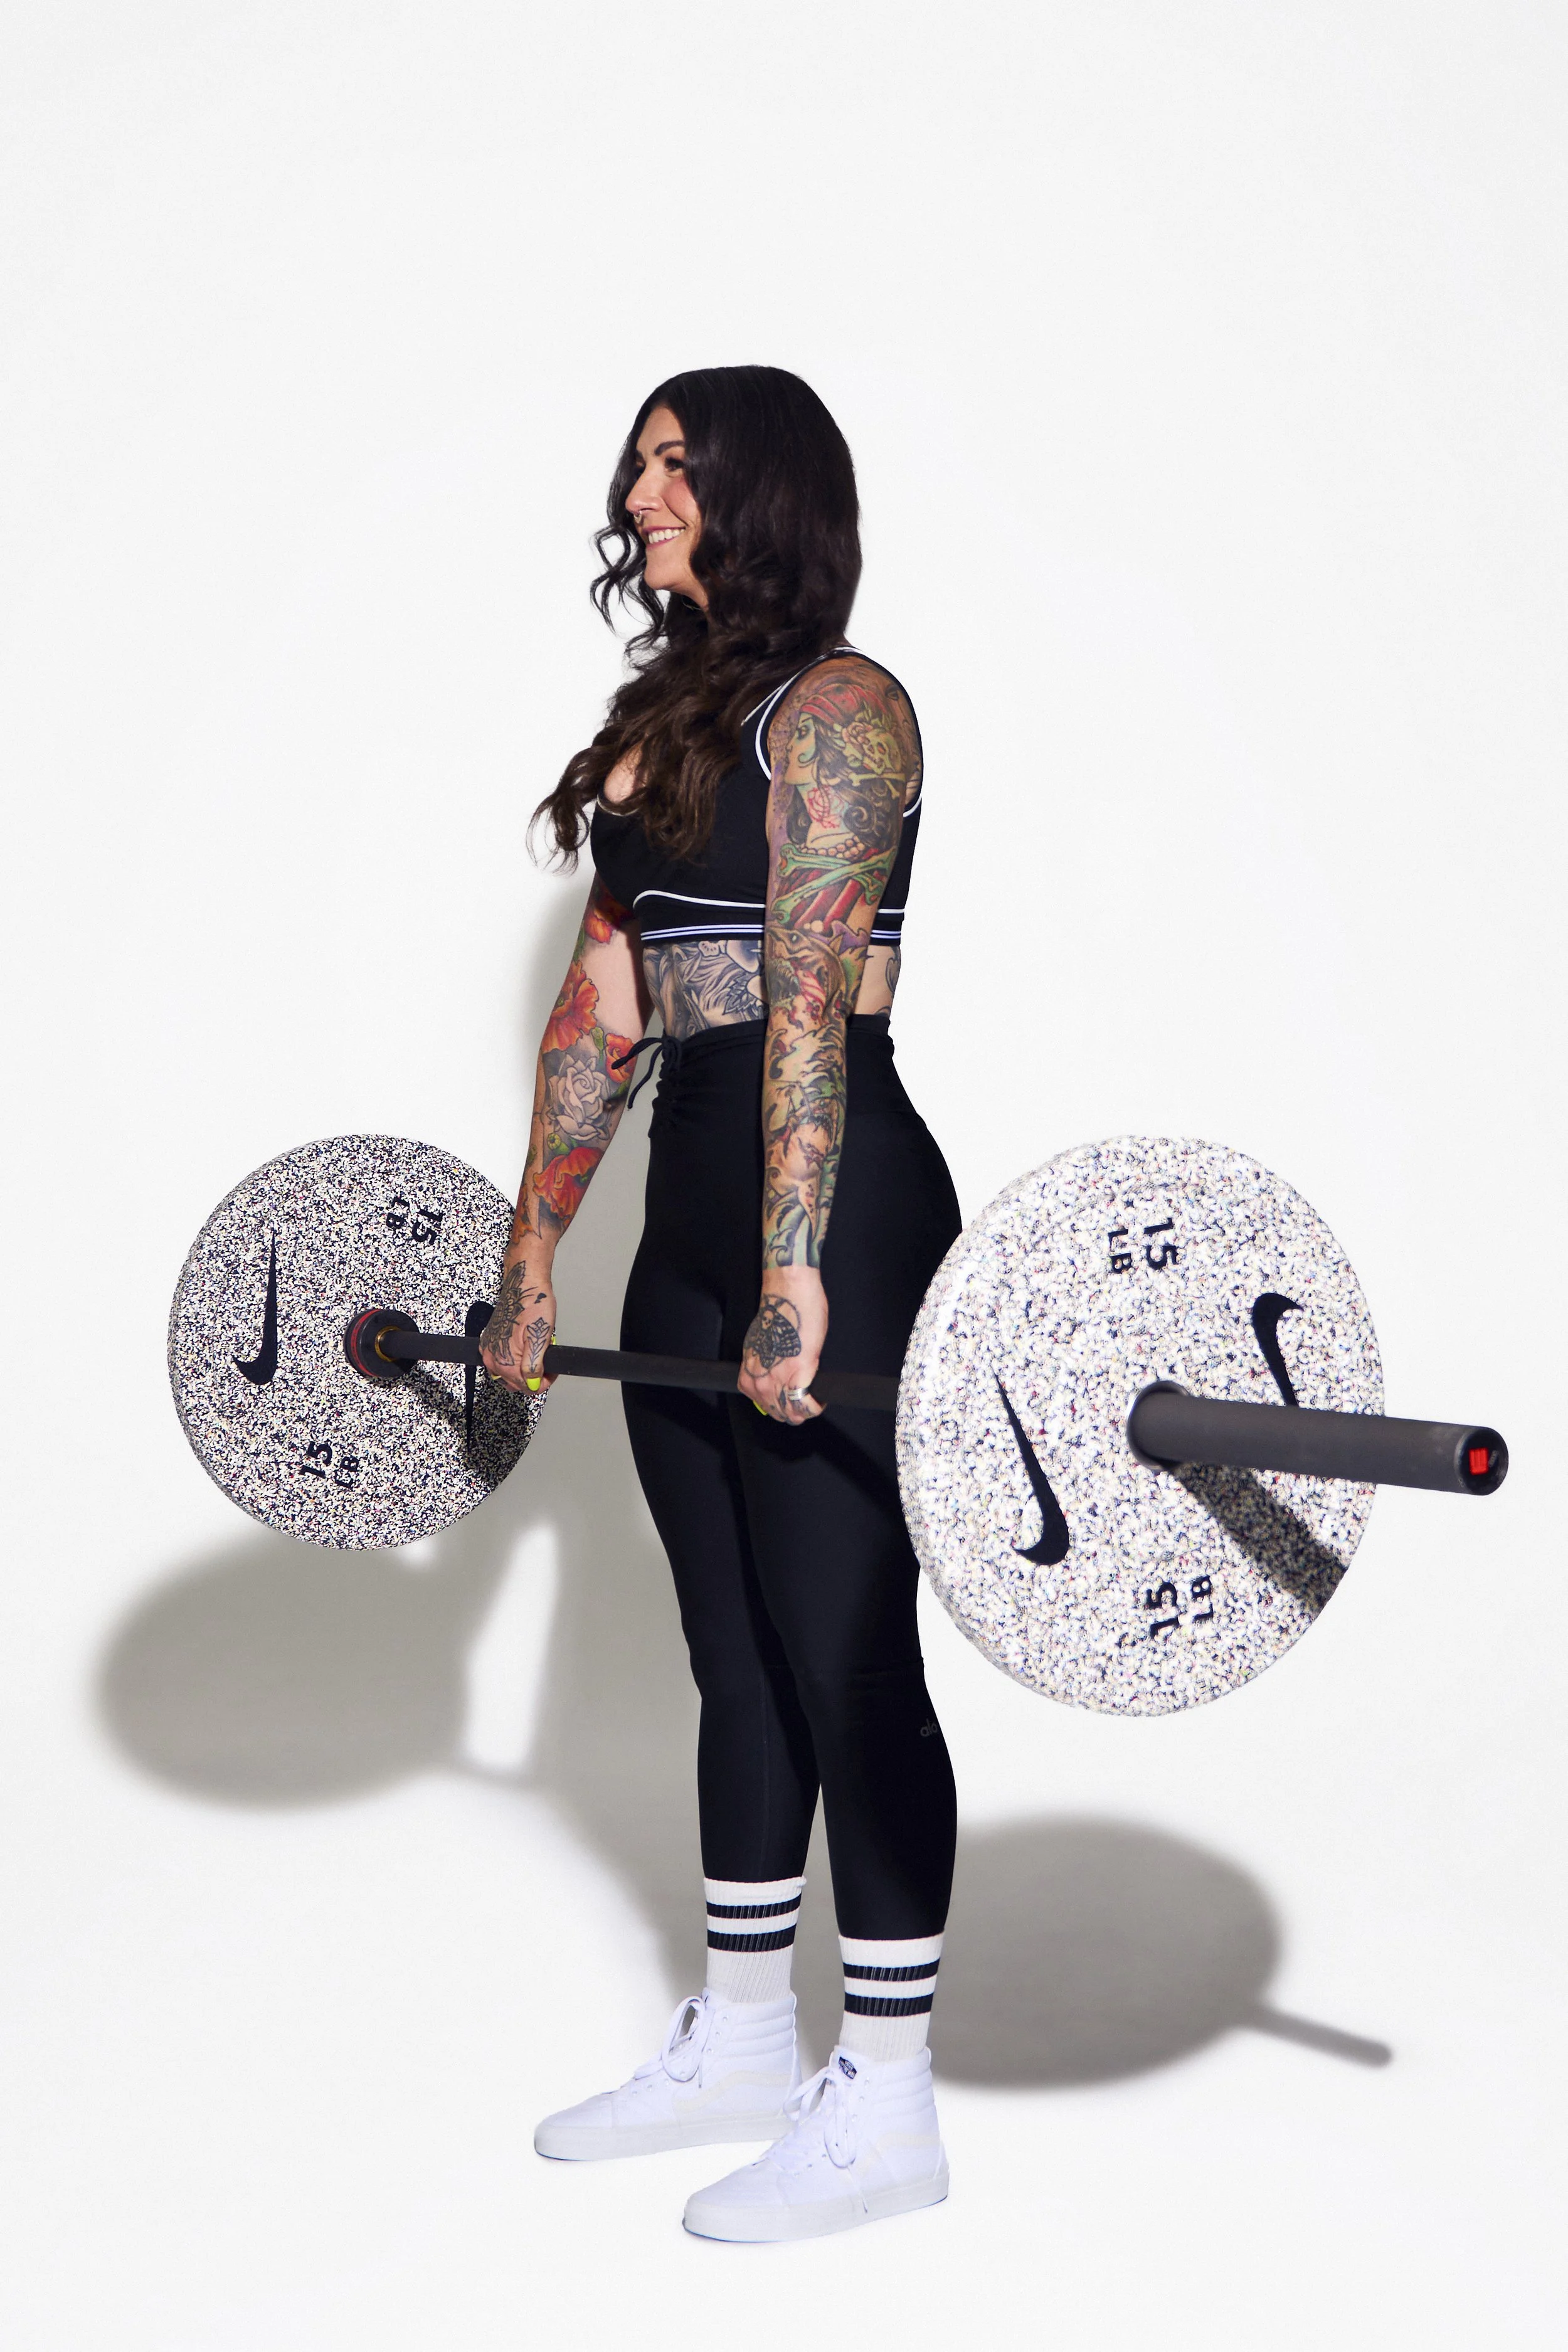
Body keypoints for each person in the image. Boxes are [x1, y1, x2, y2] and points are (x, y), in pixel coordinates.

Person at [480, 366, 961, 2242]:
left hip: (834, 1208)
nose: (640, 485)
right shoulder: (655, 728)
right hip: (689, 1201)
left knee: (844, 1645)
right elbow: (604, 1011)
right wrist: (532, 1250)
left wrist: (792, 1268)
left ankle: (893, 2098)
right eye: (640, 457)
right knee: (733, 1651)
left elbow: (815, 1000)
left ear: (763, 492)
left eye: (678, 460)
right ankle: (750, 2036)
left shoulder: (840, 716)